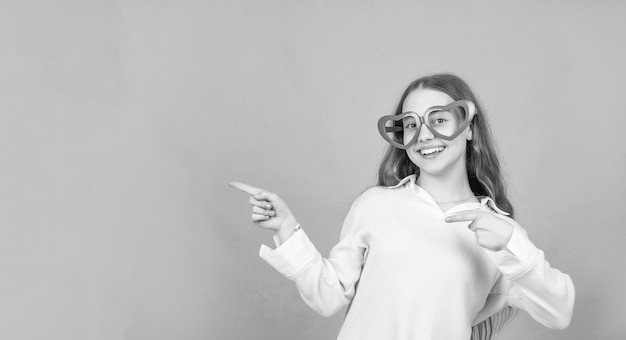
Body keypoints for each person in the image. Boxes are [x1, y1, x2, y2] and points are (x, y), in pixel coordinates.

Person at [230, 73, 575, 340]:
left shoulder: (498, 232)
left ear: (469, 128)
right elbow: (328, 296)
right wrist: (286, 228)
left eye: (439, 119)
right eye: (411, 124)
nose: (423, 135)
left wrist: (513, 246)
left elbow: (559, 312)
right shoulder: (375, 206)